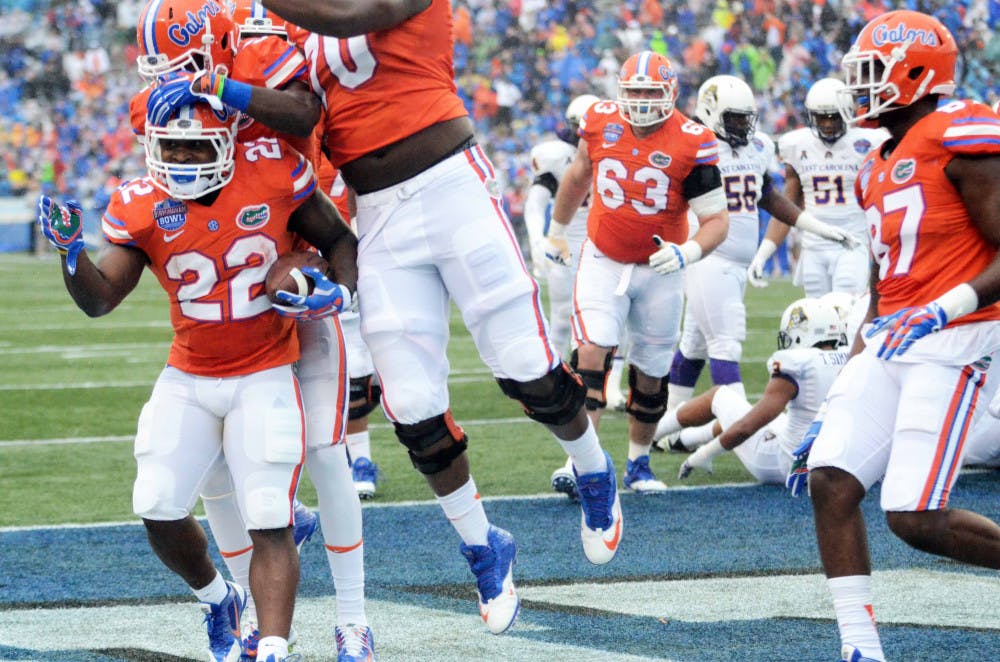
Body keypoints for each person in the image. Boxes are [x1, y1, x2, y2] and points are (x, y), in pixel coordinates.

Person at [259, 0, 624, 636]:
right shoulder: (291, 23)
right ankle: (484, 545)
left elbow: (353, 18)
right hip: (375, 214)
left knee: (526, 366)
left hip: (451, 186)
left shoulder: (320, 11)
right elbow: (298, 111)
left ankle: (593, 469)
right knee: (412, 405)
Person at [38, 99, 357, 662]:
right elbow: (100, 299)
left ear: (227, 144)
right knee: (156, 502)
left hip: (264, 370)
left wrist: (337, 288)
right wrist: (71, 254)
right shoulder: (140, 204)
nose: (182, 157)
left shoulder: (273, 173)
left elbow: (339, 241)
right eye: (172, 147)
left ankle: (275, 646)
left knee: (268, 514)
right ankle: (218, 599)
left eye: (196, 146)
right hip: (189, 371)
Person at [141, 3, 375, 657]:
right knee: (216, 463)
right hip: (238, 296)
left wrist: (335, 283)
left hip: (303, 248)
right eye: (156, 68)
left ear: (218, 47)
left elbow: (303, 115)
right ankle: (245, 605)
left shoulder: (256, 53)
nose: (166, 79)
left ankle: (352, 619)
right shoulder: (159, 102)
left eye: (180, 64)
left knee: (330, 455)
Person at [795, 11, 1000, 662]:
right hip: (893, 339)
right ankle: (860, 649)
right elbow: (887, 279)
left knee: (914, 518)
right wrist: (856, 362)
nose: (860, 90)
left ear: (916, 72)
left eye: (872, 75)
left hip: (955, 339)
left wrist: (945, 309)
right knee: (831, 478)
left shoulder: (959, 132)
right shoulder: (874, 164)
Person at [543, 50, 730, 493]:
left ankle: (638, 463)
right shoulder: (599, 121)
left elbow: (717, 220)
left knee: (650, 374)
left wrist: (688, 253)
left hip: (660, 267)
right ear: (620, 92)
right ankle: (583, 465)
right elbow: (577, 176)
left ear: (670, 92)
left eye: (651, 91)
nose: (642, 101)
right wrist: (555, 231)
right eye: (635, 91)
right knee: (591, 352)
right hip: (603, 257)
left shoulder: (692, 139)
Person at [655, 75, 857, 450]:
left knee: (695, 345)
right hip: (709, 258)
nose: (741, 126)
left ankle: (662, 431)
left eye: (745, 118)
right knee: (726, 345)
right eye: (733, 118)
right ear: (711, 112)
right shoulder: (693, 146)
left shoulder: (758, 146)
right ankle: (735, 433)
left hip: (734, 262)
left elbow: (769, 197)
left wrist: (817, 226)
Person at [522, 92, 627, 498]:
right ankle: (552, 382)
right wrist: (538, 239)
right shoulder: (558, 156)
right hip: (568, 241)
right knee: (563, 317)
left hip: (604, 243)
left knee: (613, 321)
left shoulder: (618, 149)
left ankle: (611, 387)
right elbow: (536, 202)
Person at [655, 298, 847, 483]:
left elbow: (746, 427)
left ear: (802, 333)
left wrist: (705, 453)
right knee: (762, 414)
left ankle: (652, 434)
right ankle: (681, 439)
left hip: (783, 463)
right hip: (827, 463)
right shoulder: (850, 358)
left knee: (720, 396)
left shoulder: (797, 363)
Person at [749, 78, 888, 297]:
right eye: (821, 117)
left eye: (833, 117)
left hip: (853, 243)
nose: (827, 124)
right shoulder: (797, 144)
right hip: (813, 247)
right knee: (815, 319)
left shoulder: (869, 143)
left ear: (846, 113)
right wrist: (764, 252)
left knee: (845, 310)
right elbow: (788, 205)